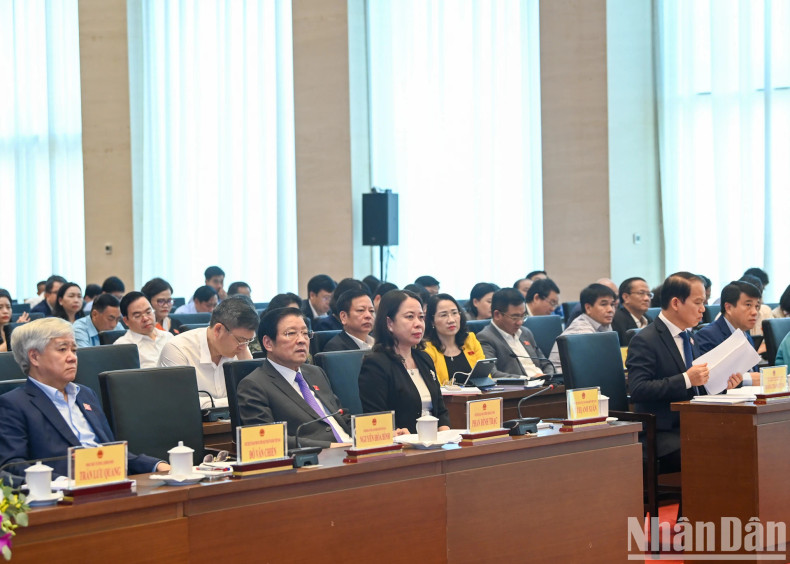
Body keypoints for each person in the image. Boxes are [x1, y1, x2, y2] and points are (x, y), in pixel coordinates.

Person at [0, 318, 168, 482]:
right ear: (34, 357)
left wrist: (156, 465)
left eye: (74, 350)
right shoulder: (13, 405)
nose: (72, 357)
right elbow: (12, 468)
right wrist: (63, 482)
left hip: (109, 484)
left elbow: (109, 452)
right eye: (62, 349)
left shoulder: (85, 394)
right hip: (63, 497)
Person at [627, 272, 742, 472]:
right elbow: (638, 389)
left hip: (693, 424)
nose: (703, 309)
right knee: (717, 452)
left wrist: (724, 385)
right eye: (697, 302)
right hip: (662, 432)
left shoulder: (690, 337)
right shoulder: (645, 340)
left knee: (744, 439)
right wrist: (686, 379)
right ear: (676, 303)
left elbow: (699, 389)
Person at [237, 307, 352, 449]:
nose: (302, 340)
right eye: (291, 333)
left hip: (351, 450)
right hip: (315, 460)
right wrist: (331, 447)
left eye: (305, 333)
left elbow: (341, 416)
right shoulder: (254, 385)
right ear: (268, 343)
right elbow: (270, 439)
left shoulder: (316, 373)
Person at [358, 290, 450, 434]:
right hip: (402, 446)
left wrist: (446, 433)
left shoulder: (424, 358)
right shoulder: (376, 364)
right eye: (410, 317)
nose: (418, 324)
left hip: (434, 443)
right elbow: (375, 420)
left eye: (421, 317)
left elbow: (441, 410)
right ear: (389, 323)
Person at [159, 296, 258, 408]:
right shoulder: (177, 349)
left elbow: (256, 397)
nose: (244, 346)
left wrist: (245, 361)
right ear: (218, 330)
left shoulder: (241, 347)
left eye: (249, 340)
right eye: (241, 340)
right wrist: (235, 402)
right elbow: (182, 402)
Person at [476, 288, 556, 379]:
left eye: (523, 316)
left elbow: (545, 363)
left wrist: (548, 377)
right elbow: (492, 374)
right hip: (521, 389)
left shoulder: (525, 332)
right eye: (515, 317)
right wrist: (529, 379)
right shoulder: (486, 338)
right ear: (497, 315)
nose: (520, 322)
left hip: (545, 385)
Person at [695, 280, 762, 384]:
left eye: (757, 306)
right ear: (729, 308)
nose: (754, 312)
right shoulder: (708, 336)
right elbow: (709, 381)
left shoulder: (746, 336)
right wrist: (748, 379)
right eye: (748, 305)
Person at [549, 283, 617, 370]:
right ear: (588, 308)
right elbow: (594, 365)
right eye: (604, 304)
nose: (610, 310)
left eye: (612, 304)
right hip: (562, 379)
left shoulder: (604, 324)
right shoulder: (581, 330)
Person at [422, 294, 485, 386]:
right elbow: (436, 388)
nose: (451, 320)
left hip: (477, 398)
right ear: (432, 321)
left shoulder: (470, 340)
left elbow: (485, 378)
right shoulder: (426, 349)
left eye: (455, 313)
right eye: (443, 315)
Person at [114, 292, 174, 368]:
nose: (145, 318)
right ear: (126, 321)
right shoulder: (123, 346)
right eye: (137, 316)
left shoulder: (168, 337)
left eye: (148, 312)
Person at [612, 277, 653, 344]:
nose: (647, 298)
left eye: (649, 294)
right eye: (641, 293)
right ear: (626, 297)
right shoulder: (616, 320)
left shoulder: (649, 319)